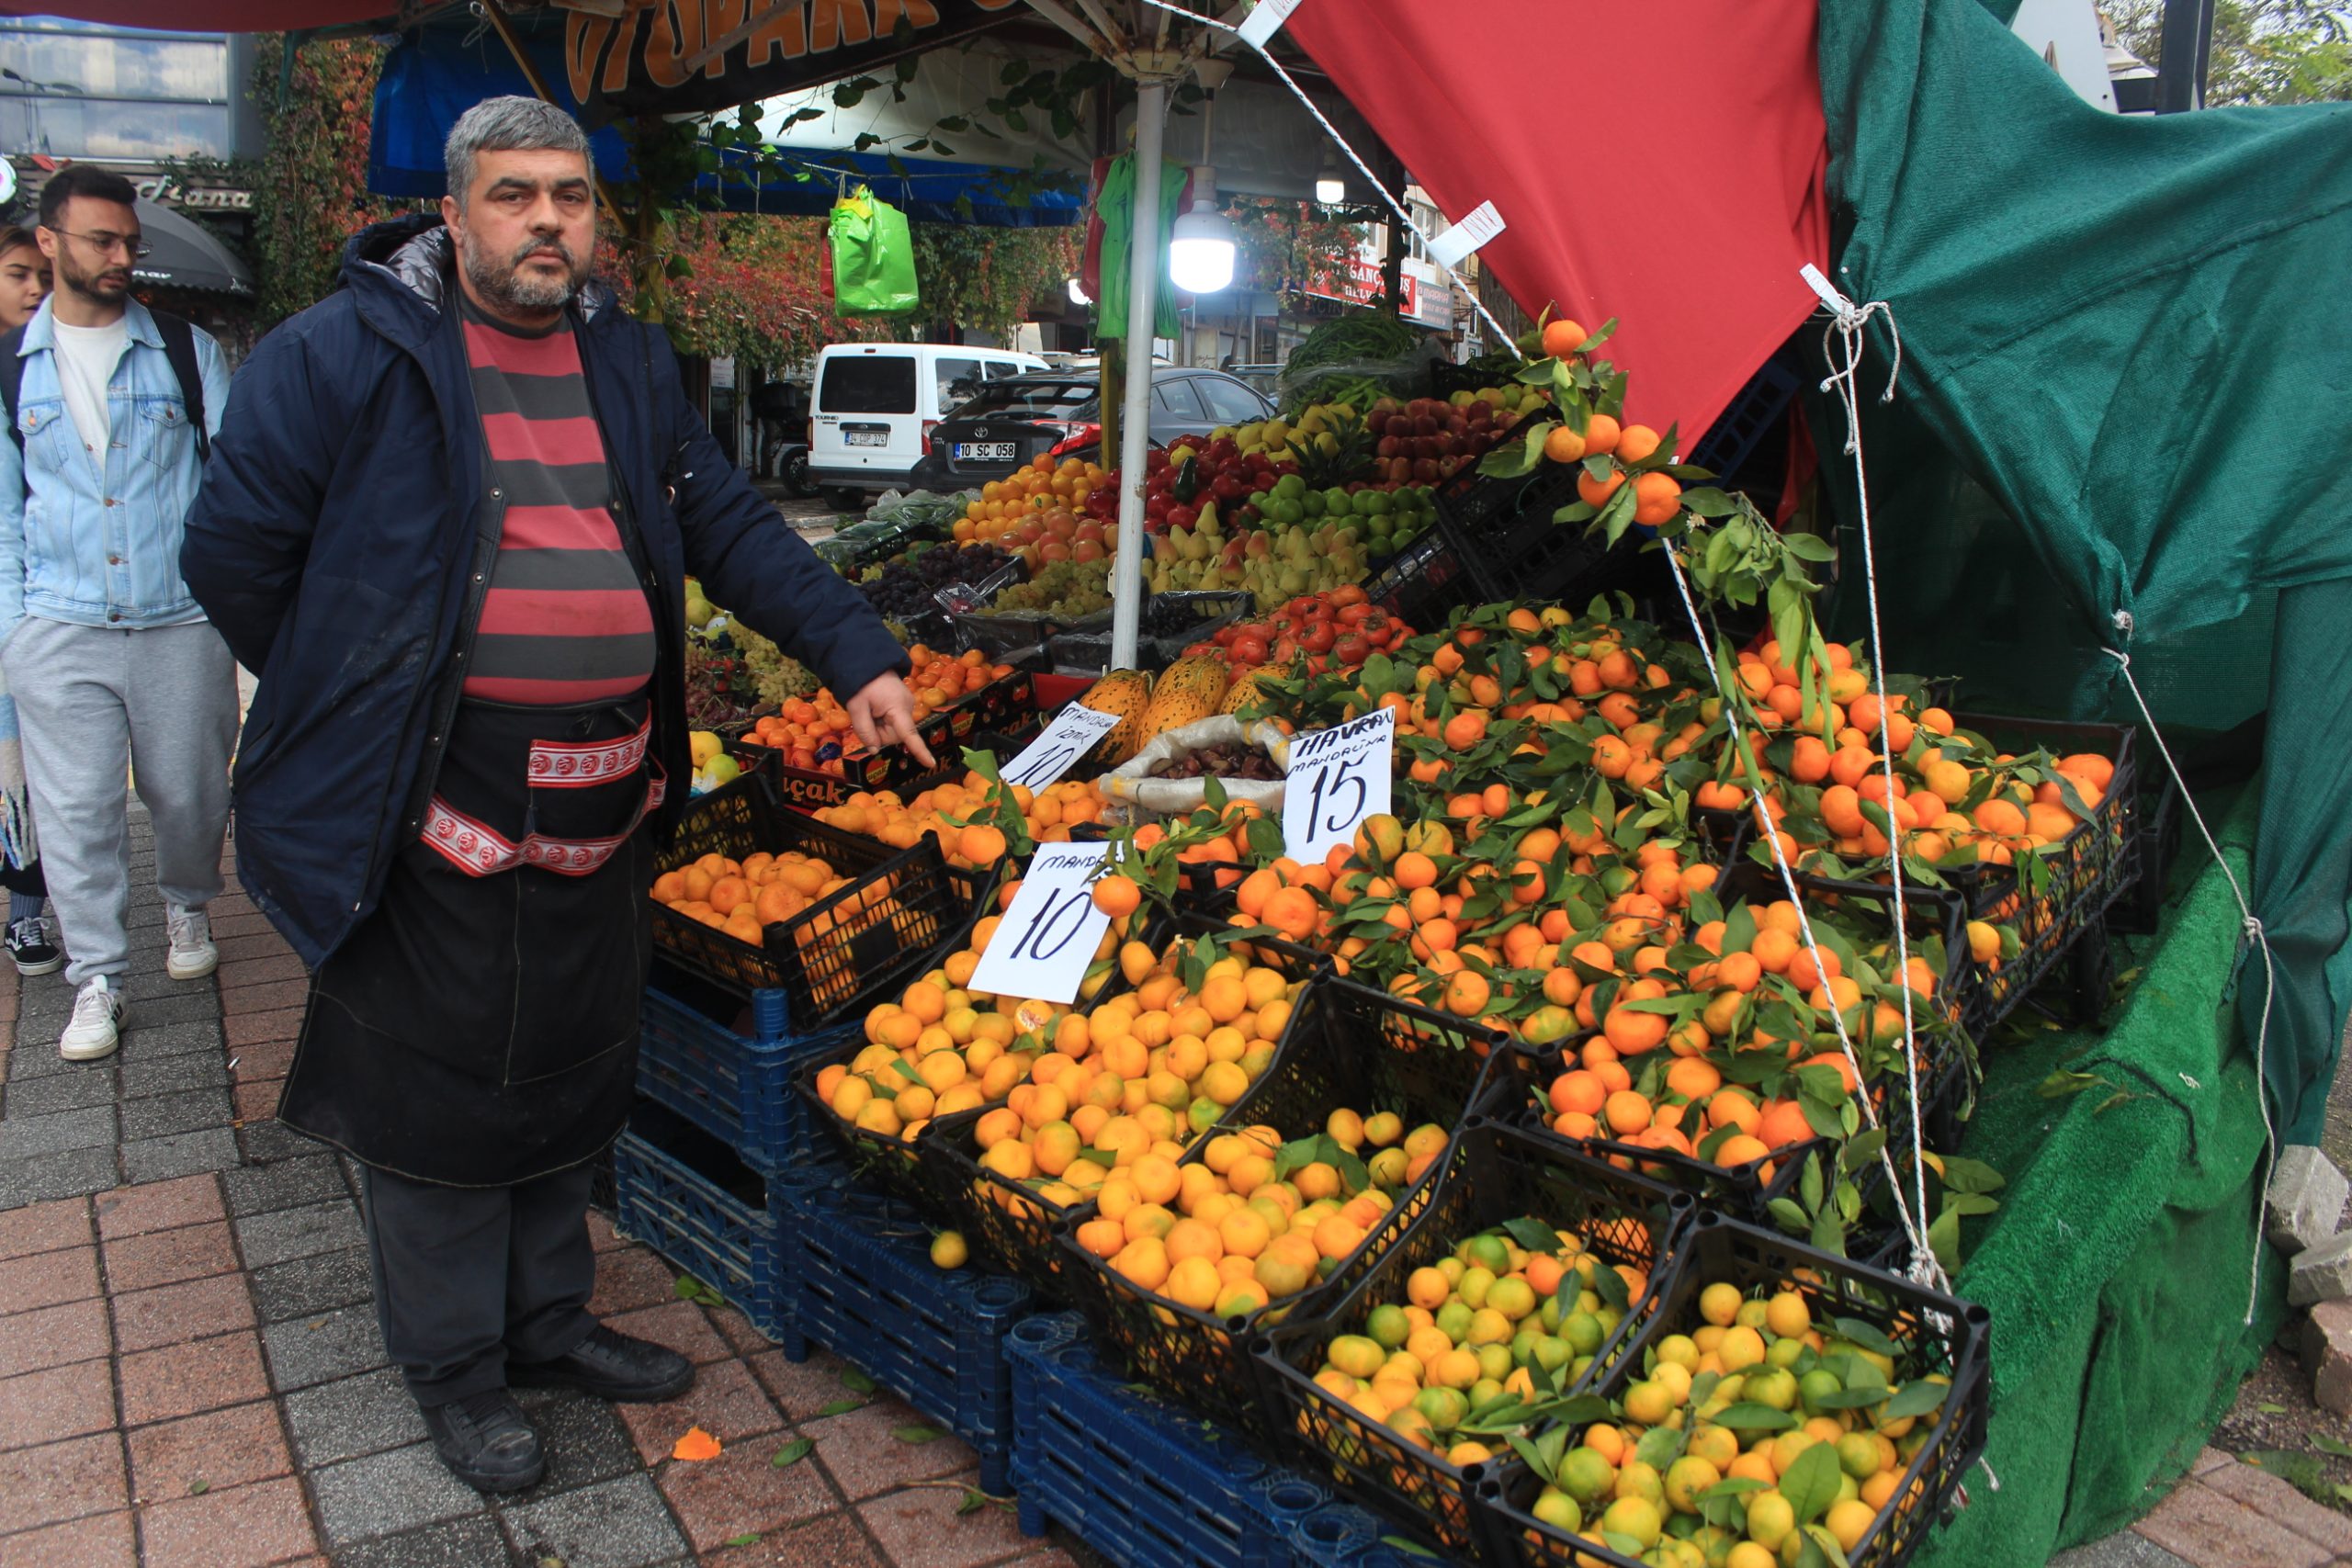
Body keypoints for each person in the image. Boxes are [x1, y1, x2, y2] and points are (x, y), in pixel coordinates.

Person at [180, 98, 933, 1495]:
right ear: (453, 214)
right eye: (515, 196)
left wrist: (853, 653)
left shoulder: (628, 358)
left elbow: (724, 522)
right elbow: (235, 551)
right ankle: (457, 1368)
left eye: (571, 198)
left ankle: (547, 1321)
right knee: (437, 1085)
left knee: (573, 1061)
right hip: (433, 785)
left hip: (605, 786)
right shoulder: (343, 354)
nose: (547, 222)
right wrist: (367, 695)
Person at [0, 168, 236, 1056]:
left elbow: (237, 490)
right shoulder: (7, 369)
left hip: (179, 618)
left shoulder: (185, 352)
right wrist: (15, 636)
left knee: (189, 793)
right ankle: (95, 976)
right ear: (50, 240)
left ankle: (186, 903)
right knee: (76, 811)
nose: (121, 256)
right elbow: (3, 513)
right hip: (59, 625)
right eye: (102, 240)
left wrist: (227, 609)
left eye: (129, 241)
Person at [0, 225, 58, 976]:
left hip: (42, 597)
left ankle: (27, 909)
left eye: (41, 275)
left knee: (33, 759)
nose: (34, 288)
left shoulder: (47, 371)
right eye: (17, 273)